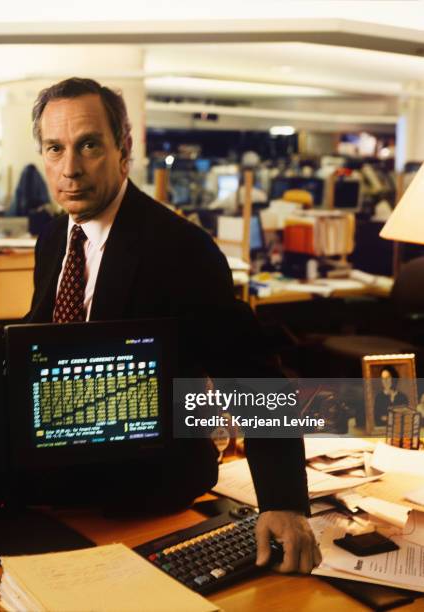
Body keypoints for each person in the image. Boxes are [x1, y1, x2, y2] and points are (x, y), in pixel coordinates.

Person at [24, 77, 320, 574]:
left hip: (146, 485)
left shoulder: (180, 249)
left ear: (125, 149)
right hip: (61, 464)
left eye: (89, 145)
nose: (69, 168)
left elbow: (251, 376)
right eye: (55, 148)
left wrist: (284, 502)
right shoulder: (53, 238)